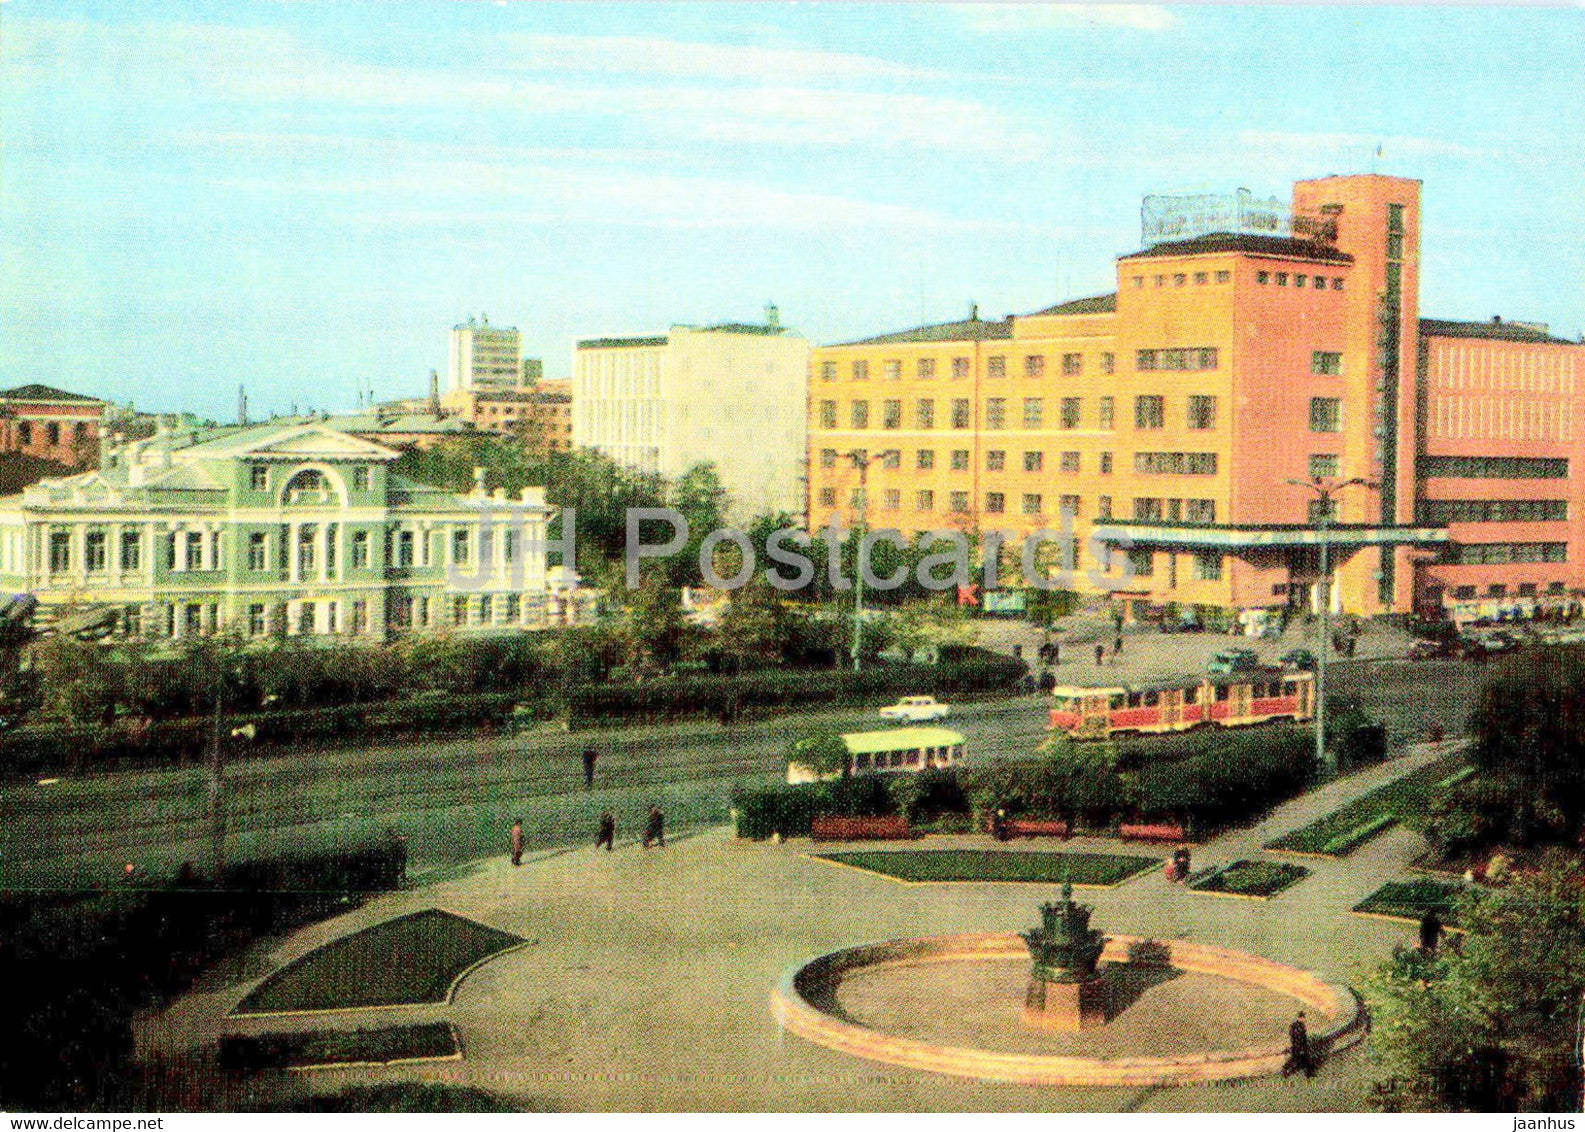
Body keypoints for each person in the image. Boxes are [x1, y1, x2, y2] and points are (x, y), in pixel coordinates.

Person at [1283, 1011, 1314, 1078]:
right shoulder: (1299, 1026)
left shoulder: (1295, 1025)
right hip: (1299, 1046)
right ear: (1301, 1017)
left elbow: (1293, 1036)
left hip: (1297, 1046)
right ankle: (1309, 1074)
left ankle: (1285, 1069)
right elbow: (1299, 1037)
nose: (1304, 1019)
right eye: (1303, 1018)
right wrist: (1301, 1047)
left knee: (1296, 1059)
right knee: (1302, 1059)